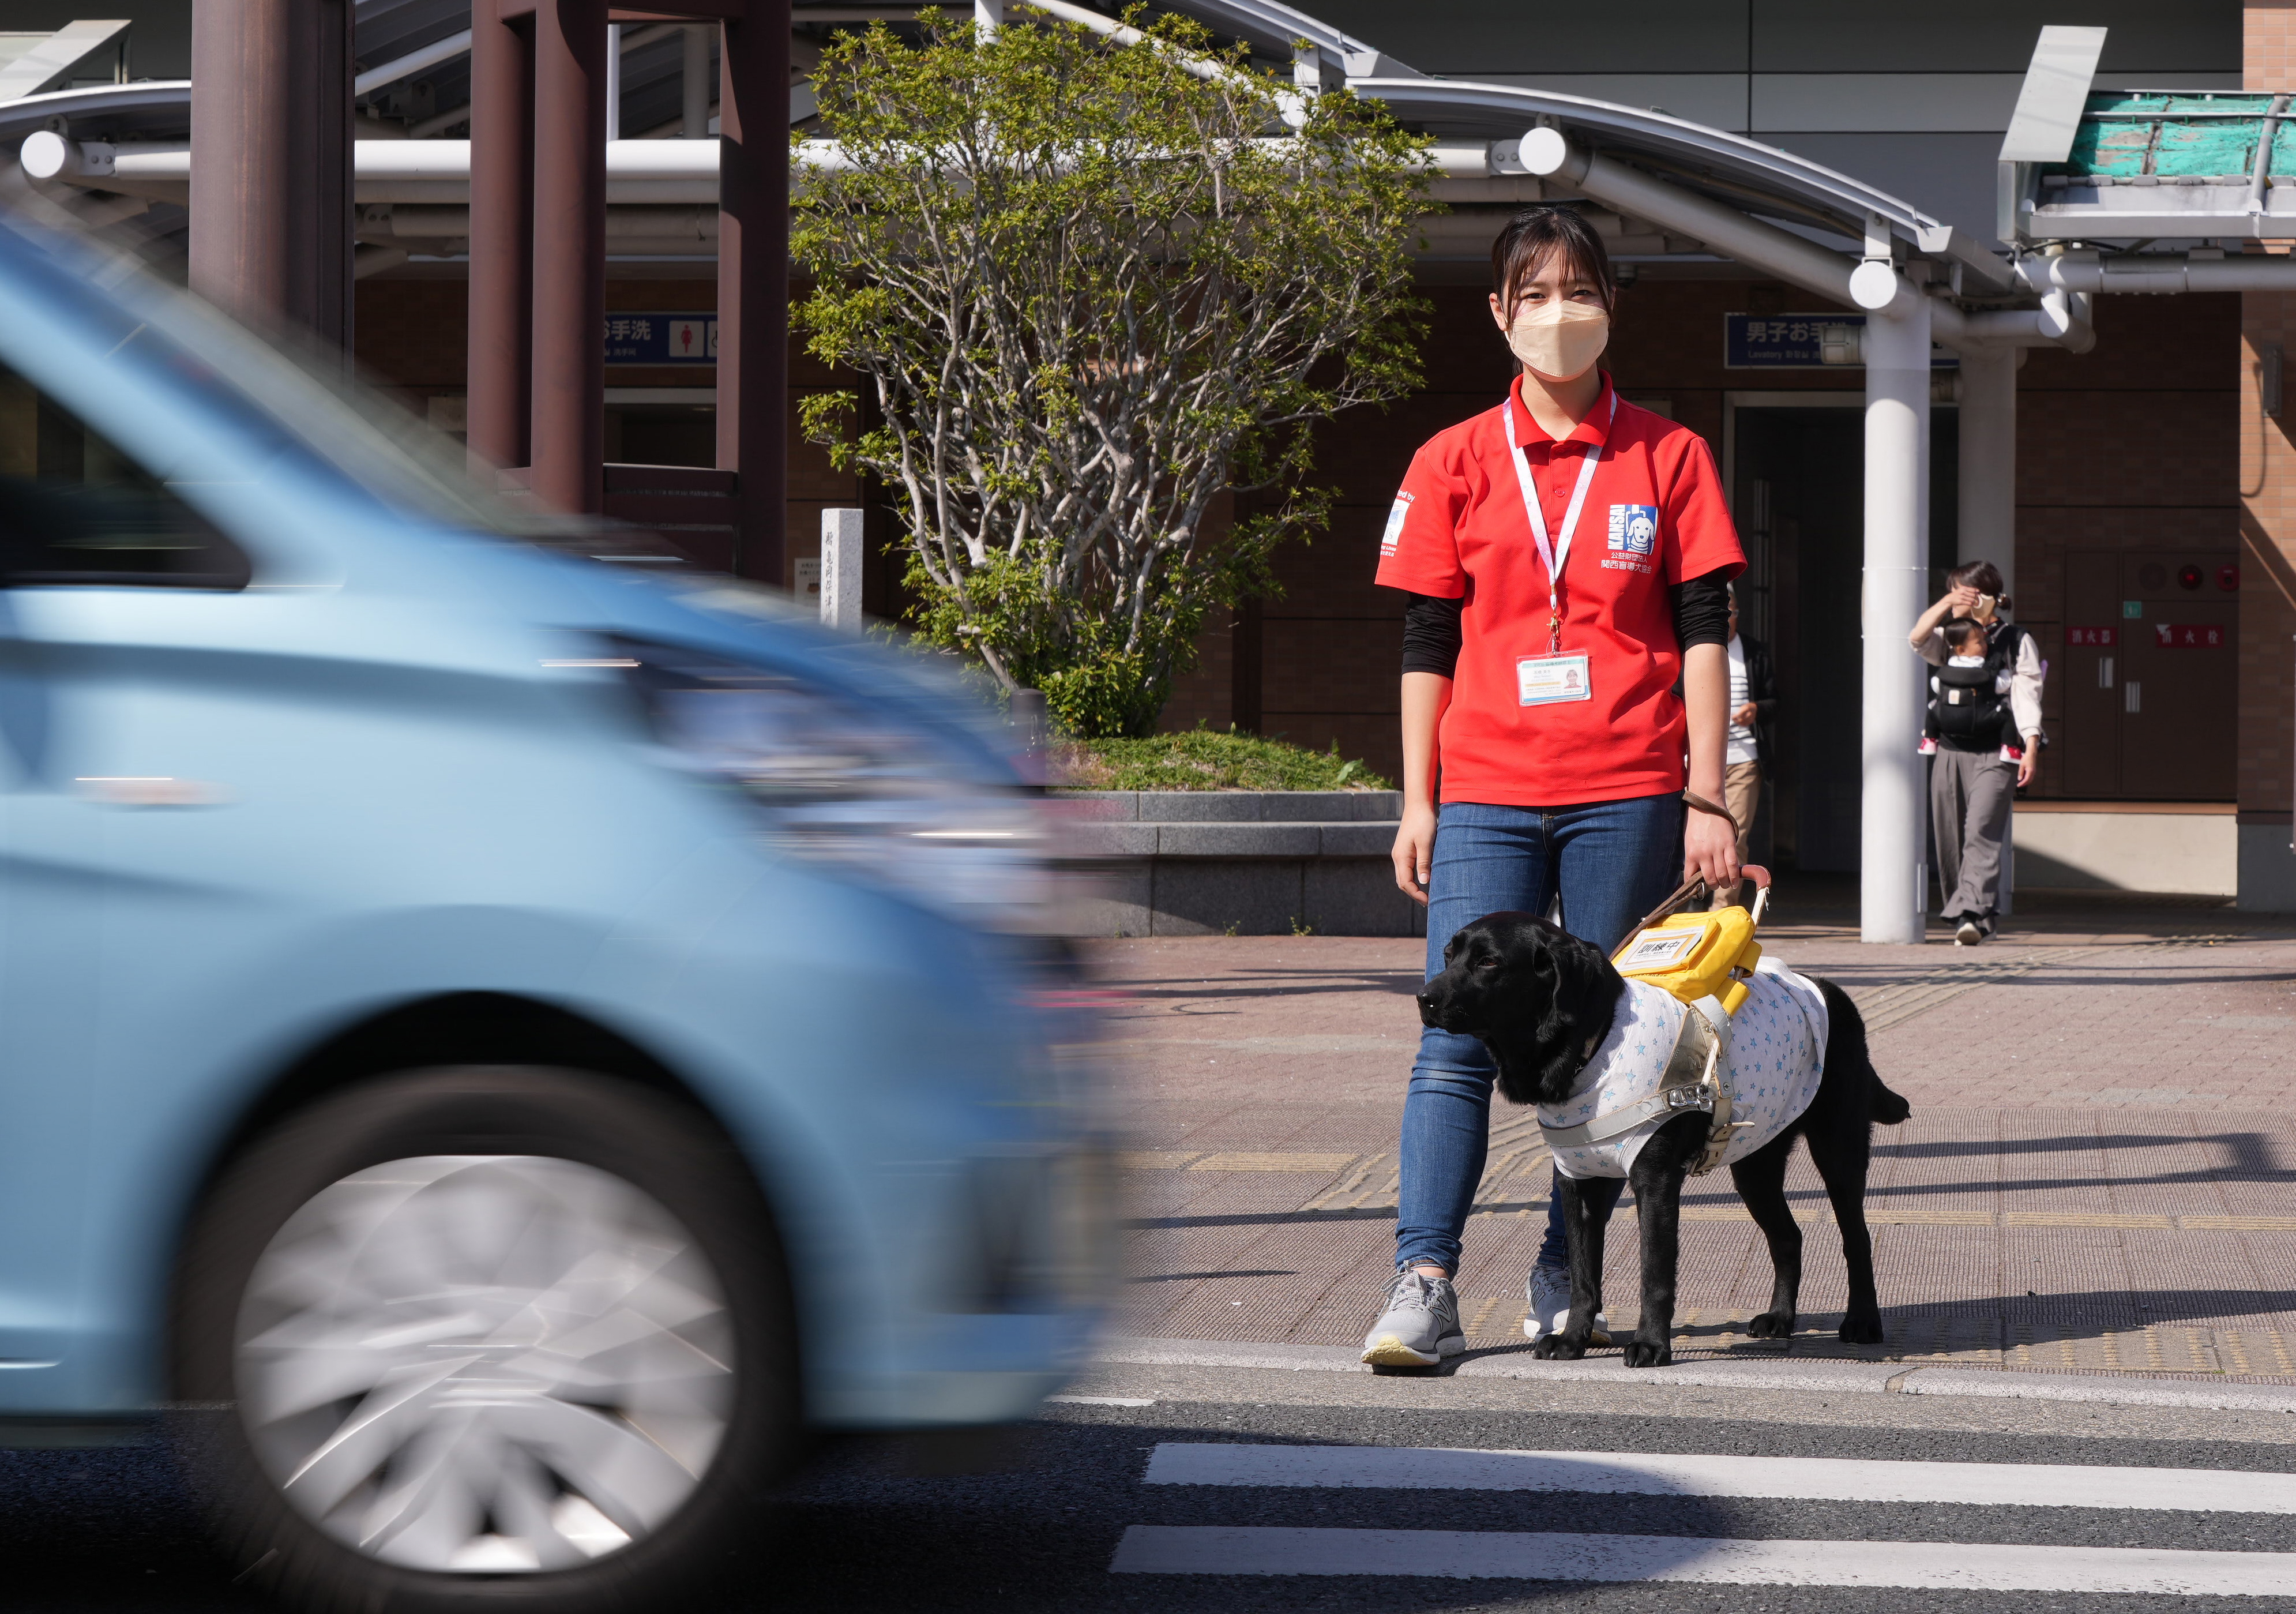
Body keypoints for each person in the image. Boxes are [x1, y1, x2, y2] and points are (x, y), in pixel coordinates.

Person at [1362, 205, 1746, 1368]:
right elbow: (1427, 641)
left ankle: (1557, 1268)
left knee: (1605, 1042)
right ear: (1497, 312)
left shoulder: (1669, 455)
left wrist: (1705, 793)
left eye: (1576, 291)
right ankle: (1421, 1284)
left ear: (1608, 307)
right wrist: (1417, 798)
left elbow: (1703, 637)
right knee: (1454, 1042)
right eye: (1531, 295)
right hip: (1481, 789)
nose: (1555, 316)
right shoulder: (1451, 461)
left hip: (1628, 786)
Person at [1907, 561, 2043, 947]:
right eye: (1954, 591)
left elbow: (2027, 697)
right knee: (1949, 836)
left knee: (1980, 831)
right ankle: (1973, 916)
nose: (1958, 601)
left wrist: (2030, 748)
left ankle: (1970, 911)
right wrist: (1946, 602)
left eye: (1964, 593)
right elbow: (1917, 639)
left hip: (1997, 752)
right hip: (1949, 750)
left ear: (1987, 596)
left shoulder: (2016, 640)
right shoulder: (1951, 637)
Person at [1710, 582, 1775, 907]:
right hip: (1697, 762)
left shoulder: (1755, 652)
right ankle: (1685, 904)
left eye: (1730, 612)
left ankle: (1722, 908)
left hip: (1744, 757)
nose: (1725, 618)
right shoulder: (1693, 649)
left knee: (1735, 836)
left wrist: (1757, 709)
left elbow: (1776, 701)